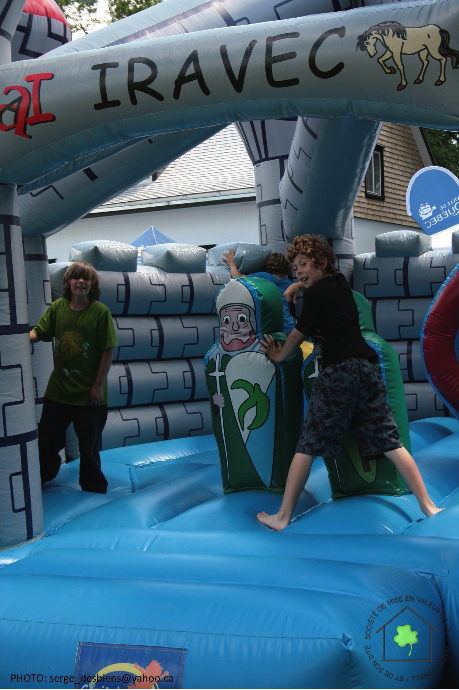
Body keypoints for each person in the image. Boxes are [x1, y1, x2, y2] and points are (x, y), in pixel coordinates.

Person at [256, 234, 442, 530]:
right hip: (365, 370)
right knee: (389, 440)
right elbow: (318, 285)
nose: (299, 271)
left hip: (338, 373)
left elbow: (298, 334)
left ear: (321, 262)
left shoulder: (316, 295)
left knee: (308, 444)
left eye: (303, 265)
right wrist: (296, 286)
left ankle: (282, 517)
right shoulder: (341, 283)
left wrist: (279, 356)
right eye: (295, 268)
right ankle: (428, 505)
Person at [30, 261, 118, 493]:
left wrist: (98, 385)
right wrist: (15, 337)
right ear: (68, 283)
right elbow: (39, 332)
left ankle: (94, 489)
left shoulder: (100, 312)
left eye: (86, 278)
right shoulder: (58, 307)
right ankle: (43, 477)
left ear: (92, 284)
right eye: (76, 278)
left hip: (89, 394)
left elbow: (108, 349)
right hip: (58, 391)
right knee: (47, 440)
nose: (81, 282)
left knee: (88, 447)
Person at [222, 248, 296, 333]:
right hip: (290, 326)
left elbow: (238, 279)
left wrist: (231, 263)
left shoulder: (264, 277)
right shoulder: (289, 284)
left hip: (274, 328)